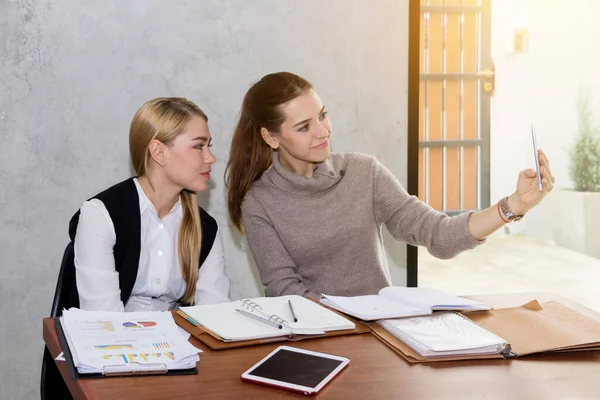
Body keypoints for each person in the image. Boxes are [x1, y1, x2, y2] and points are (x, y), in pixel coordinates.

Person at [225, 72, 554, 299]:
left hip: (380, 333)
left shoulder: (362, 172)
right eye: (304, 127)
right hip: (319, 340)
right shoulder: (259, 202)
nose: (323, 132)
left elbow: (438, 234)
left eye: (323, 116)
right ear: (271, 137)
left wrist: (513, 206)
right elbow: (286, 293)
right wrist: (351, 325)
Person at [70, 97, 230, 311]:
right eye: (198, 146)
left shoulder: (206, 228)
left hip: (173, 341)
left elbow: (215, 313)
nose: (210, 158)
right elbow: (103, 319)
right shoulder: (101, 215)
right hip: (110, 340)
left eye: (208, 146)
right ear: (158, 152)